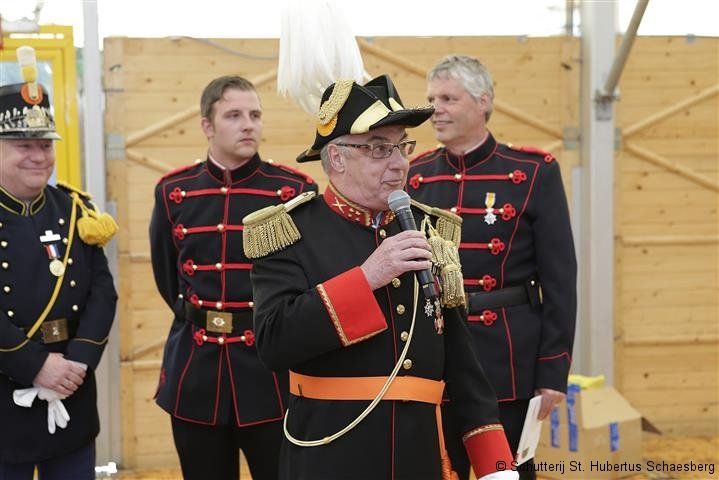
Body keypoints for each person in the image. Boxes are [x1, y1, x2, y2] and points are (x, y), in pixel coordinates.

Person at [245, 74, 517, 480]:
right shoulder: (291, 232)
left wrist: (496, 464)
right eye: (378, 148)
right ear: (337, 158)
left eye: (402, 146)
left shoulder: (430, 229)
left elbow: (462, 361)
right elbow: (273, 344)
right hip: (331, 455)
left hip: (420, 455)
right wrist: (366, 278)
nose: (399, 162)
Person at [407, 54, 577, 480]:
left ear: (482, 102)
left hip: (506, 359)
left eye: (448, 99)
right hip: (436, 357)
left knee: (505, 473)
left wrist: (552, 371)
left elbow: (560, 280)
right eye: (431, 99)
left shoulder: (533, 172)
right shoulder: (415, 175)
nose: (435, 109)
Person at [149, 75, 317, 480]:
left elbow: (307, 283)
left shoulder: (293, 190)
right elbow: (168, 279)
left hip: (269, 372)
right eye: (234, 115)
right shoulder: (173, 190)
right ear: (207, 126)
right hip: (197, 371)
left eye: (255, 115)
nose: (248, 125)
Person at [0, 46, 118, 479]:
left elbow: (102, 293)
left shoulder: (75, 209)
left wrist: (78, 362)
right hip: (6, 395)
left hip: (72, 390)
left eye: (45, 145)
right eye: (23, 145)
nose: (39, 156)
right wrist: (35, 366)